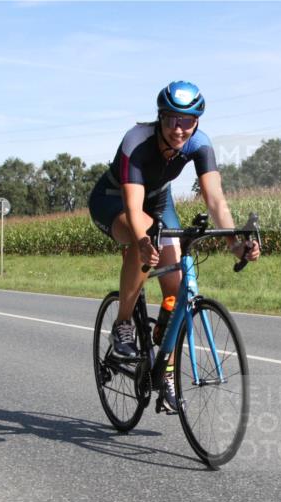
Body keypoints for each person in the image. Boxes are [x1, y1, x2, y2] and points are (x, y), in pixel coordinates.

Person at [89, 81, 260, 413]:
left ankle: (164, 371)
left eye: (187, 121)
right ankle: (123, 323)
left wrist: (235, 244)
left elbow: (215, 199)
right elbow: (133, 203)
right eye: (171, 120)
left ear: (197, 121)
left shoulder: (199, 143)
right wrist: (141, 241)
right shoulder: (137, 141)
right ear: (160, 117)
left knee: (175, 290)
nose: (179, 129)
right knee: (144, 242)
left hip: (158, 201)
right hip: (114, 201)